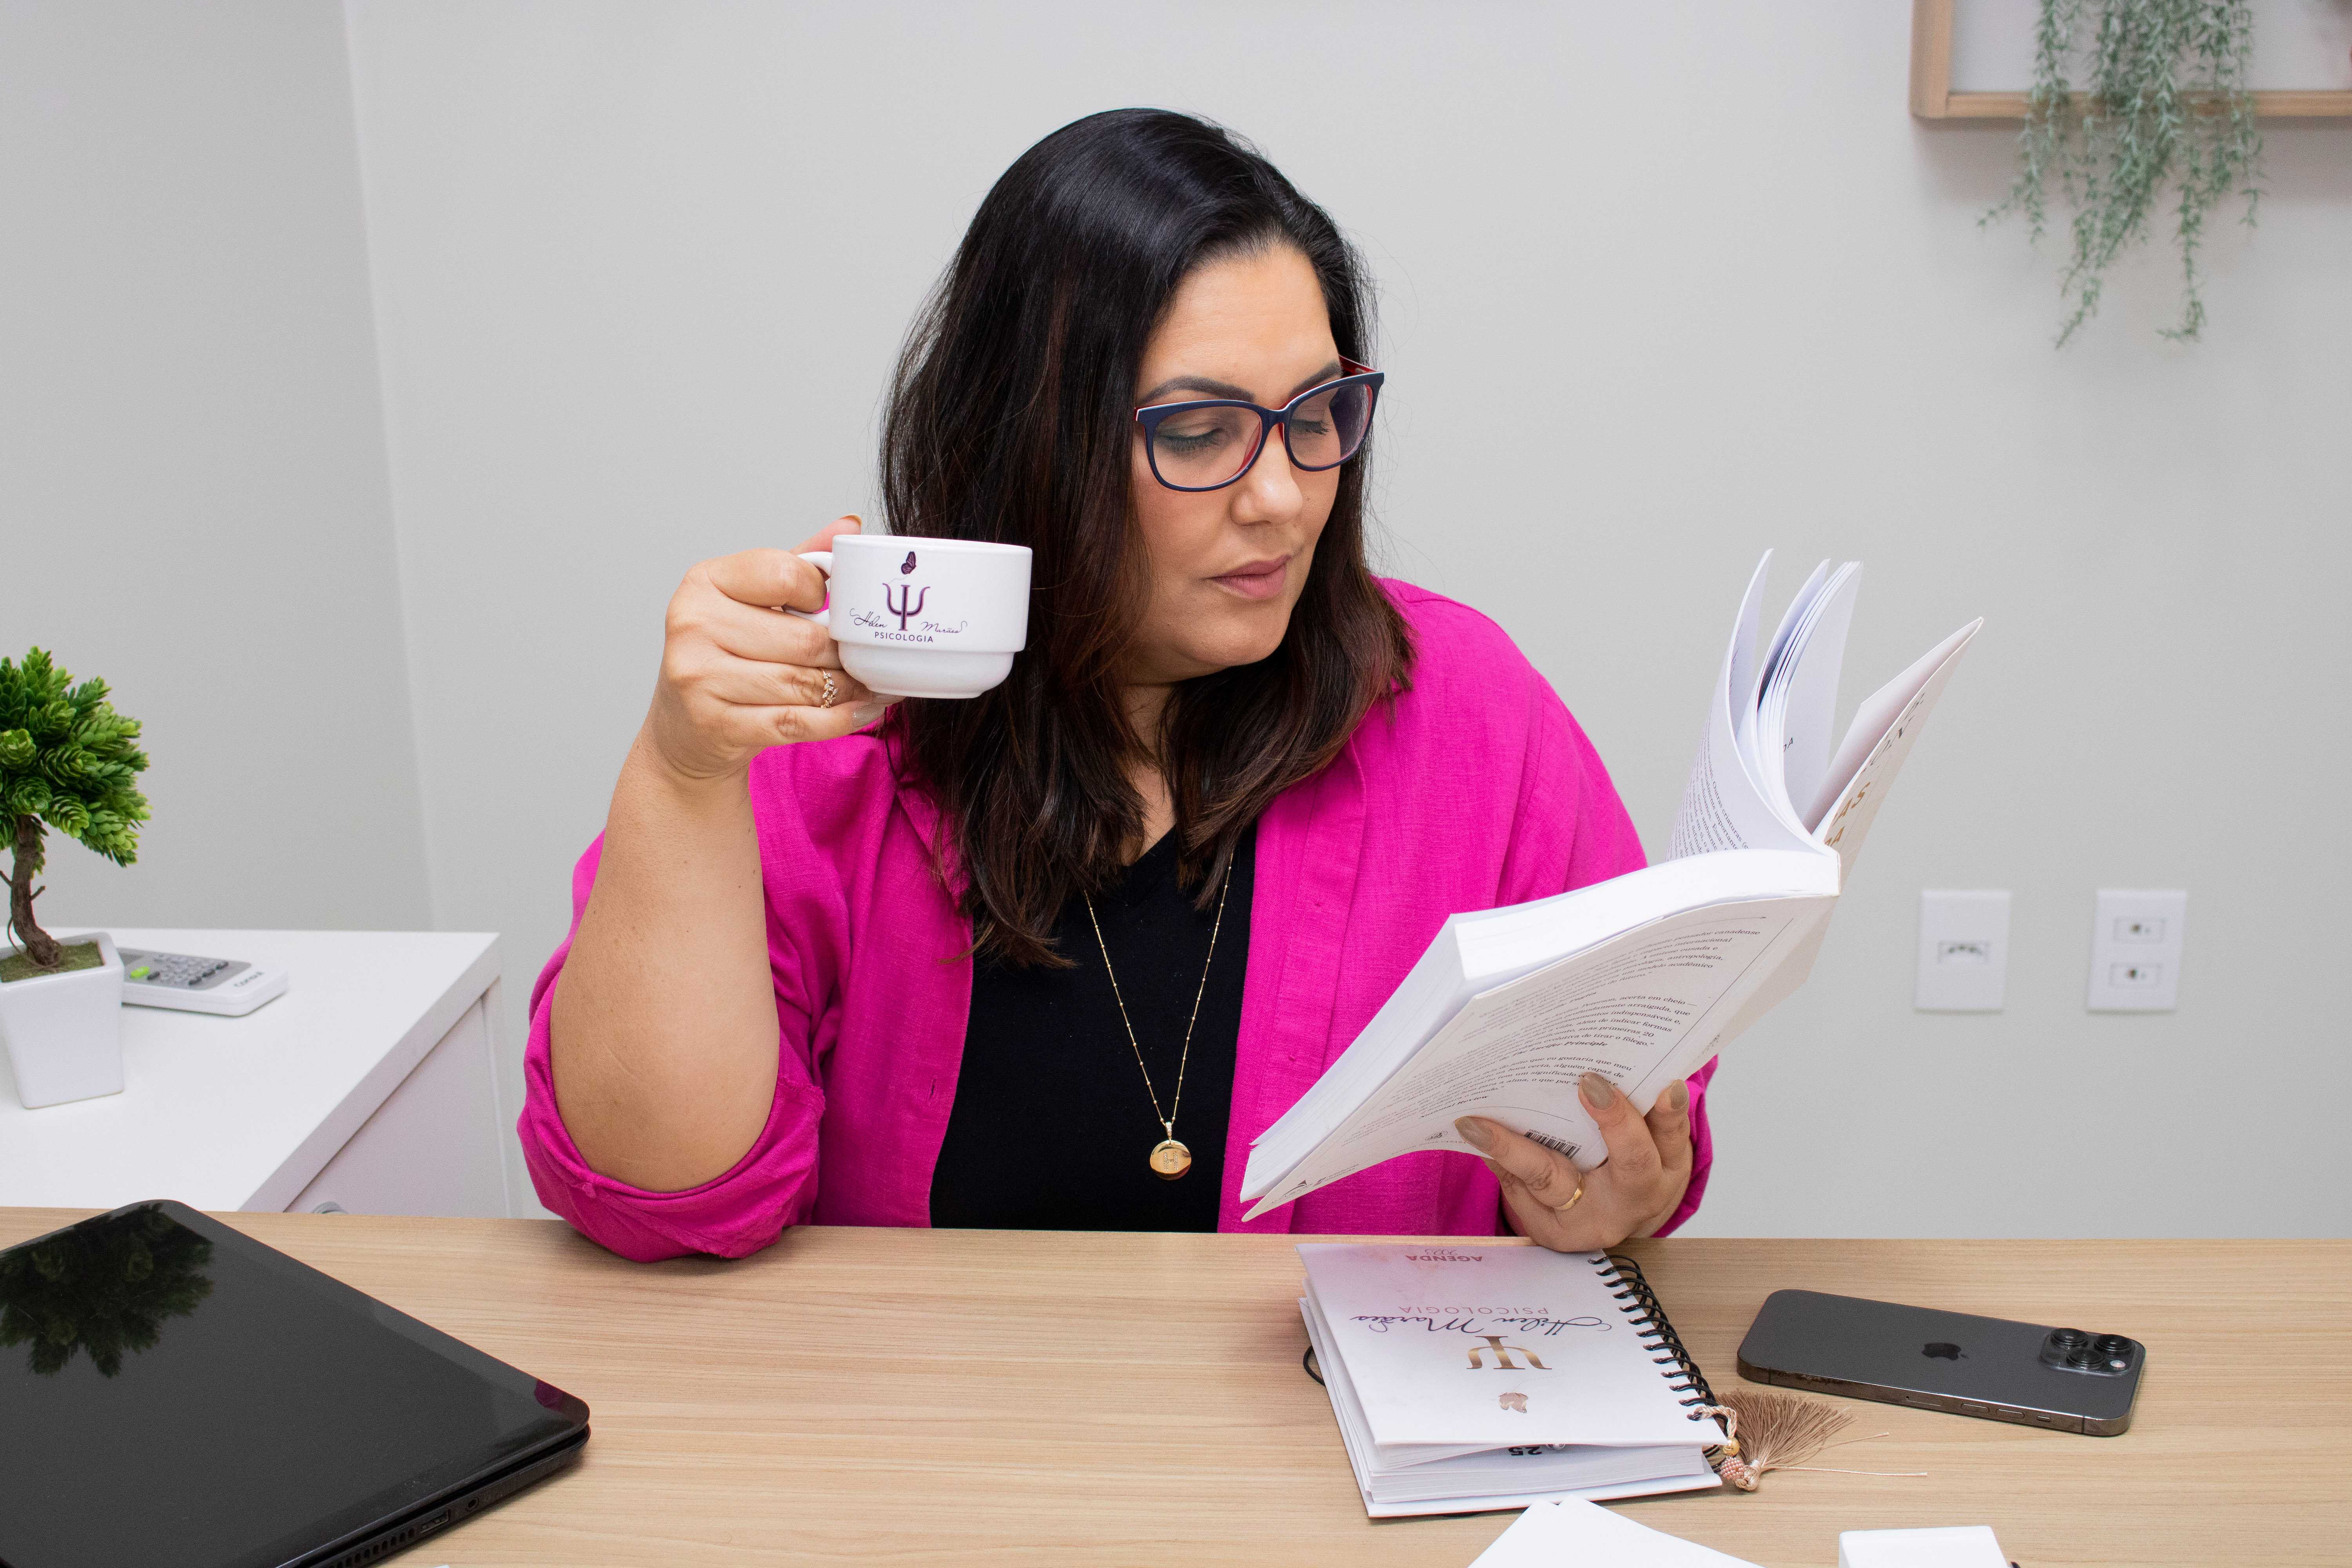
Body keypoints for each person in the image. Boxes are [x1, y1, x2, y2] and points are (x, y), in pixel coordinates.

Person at [521, 108, 1712, 1263]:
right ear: (1028, 440)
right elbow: (659, 1196)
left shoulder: (1463, 712)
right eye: (1199, 431)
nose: (1284, 498)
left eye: (1317, 415)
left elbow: (1630, 1104)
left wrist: (1608, 1191)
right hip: (917, 1449)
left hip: (1319, 1457)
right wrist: (685, 772)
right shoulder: (828, 738)